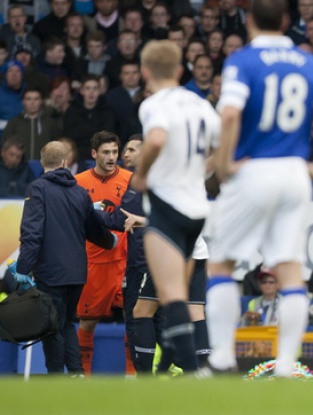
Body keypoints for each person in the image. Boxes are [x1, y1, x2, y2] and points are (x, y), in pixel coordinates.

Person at [204, 0, 313, 378]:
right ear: (286, 21)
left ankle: (221, 359)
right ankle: (286, 364)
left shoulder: (243, 60)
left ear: (249, 20)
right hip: (294, 174)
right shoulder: (309, 62)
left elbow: (231, 112)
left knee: (221, 263)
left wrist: (224, 164)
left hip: (254, 170)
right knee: (290, 272)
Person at [130, 39, 220, 374]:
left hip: (168, 208)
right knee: (178, 299)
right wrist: (202, 169)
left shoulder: (154, 104)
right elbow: (224, 148)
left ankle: (198, 373)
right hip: (198, 213)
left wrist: (142, 174)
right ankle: (174, 368)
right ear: (181, 70)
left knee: (169, 298)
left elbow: (155, 139)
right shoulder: (200, 105)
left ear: (144, 72)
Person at [14, 141, 116, 375]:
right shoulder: (80, 192)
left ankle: (56, 379)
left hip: (51, 272)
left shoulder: (38, 189)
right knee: (67, 324)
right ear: (65, 162)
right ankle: (77, 373)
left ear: (42, 162)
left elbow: (32, 233)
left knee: (52, 328)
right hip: (77, 273)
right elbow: (93, 228)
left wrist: (23, 268)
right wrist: (110, 241)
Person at [75, 130, 132, 376]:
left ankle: (133, 376)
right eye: (106, 152)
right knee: (87, 322)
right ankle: (82, 375)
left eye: (115, 152)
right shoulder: (78, 182)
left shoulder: (131, 180)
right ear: (94, 154)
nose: (111, 157)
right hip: (93, 263)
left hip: (126, 262)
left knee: (135, 319)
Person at [3, 87, 62, 160]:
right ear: (23, 101)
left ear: (41, 101)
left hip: (45, 168)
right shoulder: (13, 123)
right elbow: (5, 146)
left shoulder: (51, 123)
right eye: (29, 99)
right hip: (20, 169)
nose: (32, 102)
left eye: (36, 99)